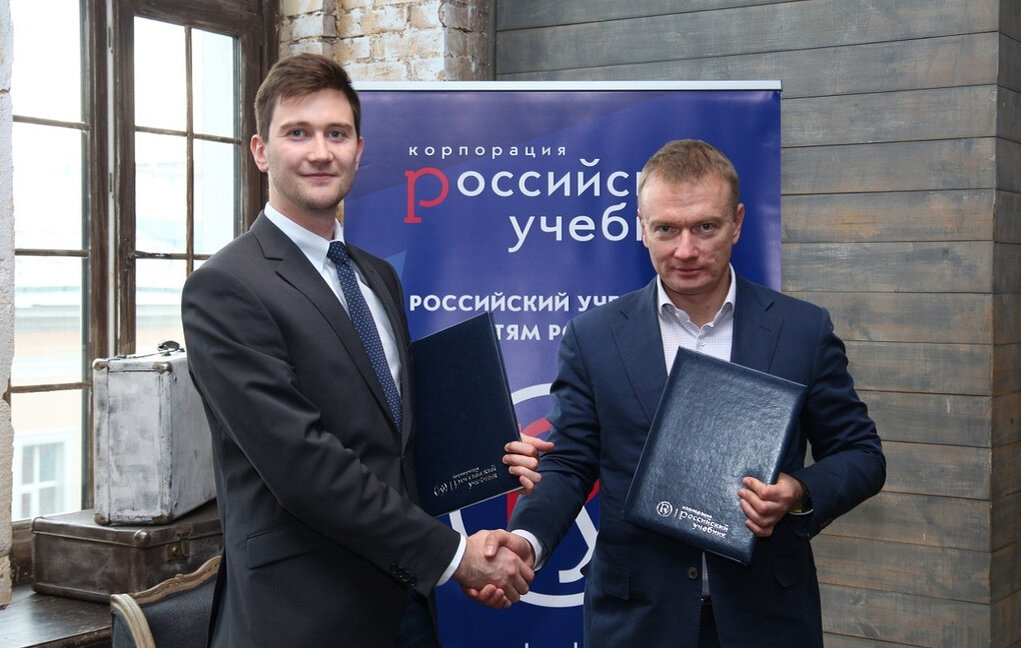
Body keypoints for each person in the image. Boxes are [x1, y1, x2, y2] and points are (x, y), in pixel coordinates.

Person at [181, 53, 548, 648]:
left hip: (405, 602)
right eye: (297, 133)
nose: (320, 152)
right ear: (260, 151)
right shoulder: (226, 287)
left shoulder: (376, 276)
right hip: (302, 618)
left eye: (337, 133)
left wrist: (494, 452)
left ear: (359, 149)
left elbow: (393, 440)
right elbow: (303, 466)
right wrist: (454, 555)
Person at [482, 140, 886, 647]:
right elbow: (569, 464)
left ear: (737, 222)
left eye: (706, 227)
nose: (686, 250)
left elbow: (861, 455)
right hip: (637, 621)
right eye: (666, 229)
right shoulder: (594, 336)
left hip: (767, 618)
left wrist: (798, 492)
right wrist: (526, 540)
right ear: (641, 227)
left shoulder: (801, 330)